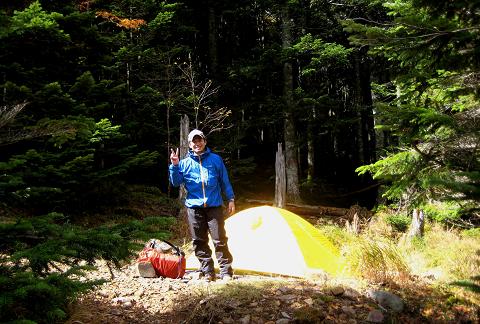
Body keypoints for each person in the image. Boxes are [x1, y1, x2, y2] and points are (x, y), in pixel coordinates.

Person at [169, 129, 235, 282]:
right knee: (199, 241)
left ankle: (226, 272)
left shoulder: (216, 159)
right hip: (194, 207)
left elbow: (224, 181)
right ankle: (208, 272)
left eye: (199, 140)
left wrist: (230, 199)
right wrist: (174, 165)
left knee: (219, 239)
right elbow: (175, 182)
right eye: (194, 141)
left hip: (214, 206)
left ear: (205, 142)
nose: (197, 143)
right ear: (190, 145)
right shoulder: (184, 163)